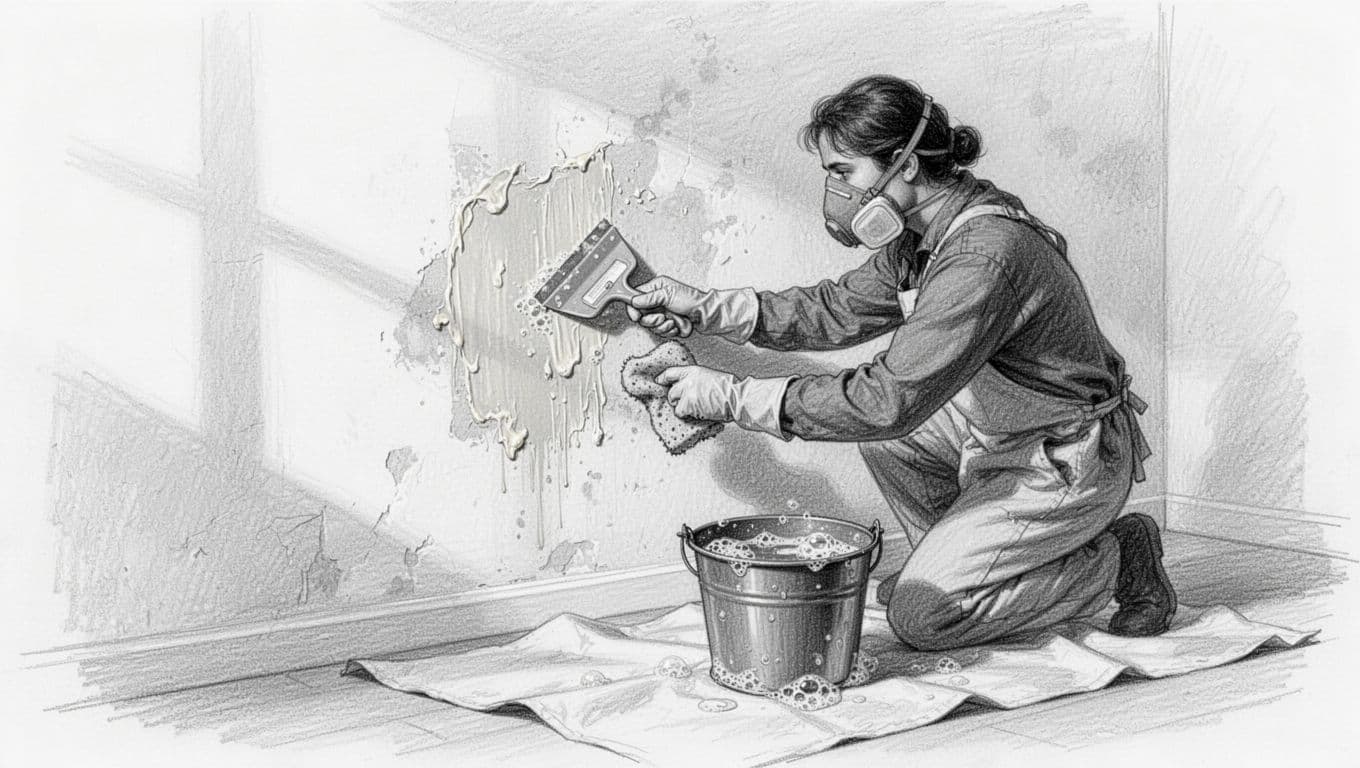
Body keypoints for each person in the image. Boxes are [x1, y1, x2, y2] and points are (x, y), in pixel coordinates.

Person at [626, 75, 1176, 651]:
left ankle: (1118, 561)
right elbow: (834, 311)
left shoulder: (982, 255)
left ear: (905, 164)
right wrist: (704, 306)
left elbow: (887, 400)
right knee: (891, 445)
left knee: (923, 620)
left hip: (1065, 453)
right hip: (1002, 431)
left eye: (844, 172)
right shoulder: (923, 238)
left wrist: (732, 397)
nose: (837, 193)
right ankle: (965, 570)